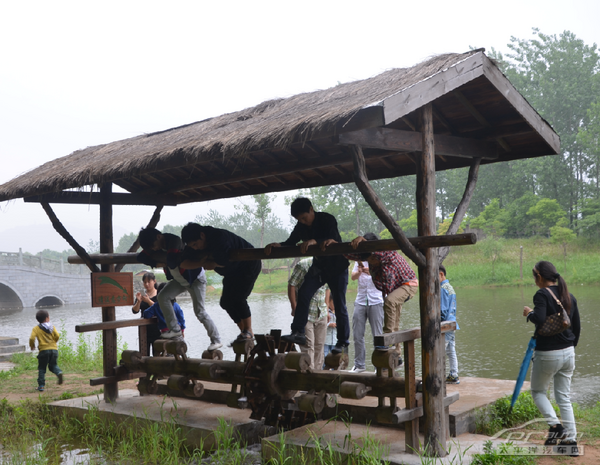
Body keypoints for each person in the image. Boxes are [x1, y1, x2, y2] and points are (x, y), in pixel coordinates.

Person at [265, 197, 350, 354]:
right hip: (320, 267)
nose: (302, 222)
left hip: (338, 266)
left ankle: (343, 341)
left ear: (311, 209)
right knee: (304, 292)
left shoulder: (327, 219)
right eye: (299, 219)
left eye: (304, 218)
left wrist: (314, 241)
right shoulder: (300, 227)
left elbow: (333, 239)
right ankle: (298, 332)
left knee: (339, 304)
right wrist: (279, 246)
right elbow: (291, 242)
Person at [522, 260, 581, 452]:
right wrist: (570, 348)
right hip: (569, 351)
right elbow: (577, 327)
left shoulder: (542, 294)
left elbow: (539, 319)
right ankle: (570, 442)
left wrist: (529, 313)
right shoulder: (568, 296)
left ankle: (555, 425)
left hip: (548, 353)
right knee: (563, 397)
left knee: (538, 392)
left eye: (534, 276)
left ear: (539, 276)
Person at [137, 228, 222, 350]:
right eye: (151, 249)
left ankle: (216, 340)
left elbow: (171, 261)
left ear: (159, 237)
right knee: (163, 297)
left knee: (200, 312)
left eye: (153, 246)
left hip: (195, 279)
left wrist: (160, 258)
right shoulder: (157, 245)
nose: (154, 249)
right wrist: (157, 262)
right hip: (180, 280)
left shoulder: (174, 241)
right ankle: (175, 330)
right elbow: (141, 257)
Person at [180, 222, 261, 342]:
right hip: (231, 272)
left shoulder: (218, 237)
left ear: (202, 235)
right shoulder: (194, 244)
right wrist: (202, 261)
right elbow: (184, 259)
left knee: (238, 298)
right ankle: (244, 332)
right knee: (226, 303)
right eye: (192, 246)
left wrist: (214, 264)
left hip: (248, 265)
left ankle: (248, 330)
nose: (195, 248)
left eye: (195, 244)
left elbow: (224, 259)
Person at [345, 235, 418, 358]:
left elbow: (380, 252)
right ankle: (397, 354)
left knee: (389, 301)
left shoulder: (388, 253)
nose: (372, 261)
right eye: (370, 259)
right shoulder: (372, 262)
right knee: (394, 323)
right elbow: (349, 254)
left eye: (373, 258)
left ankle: (387, 340)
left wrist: (366, 242)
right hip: (395, 290)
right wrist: (335, 244)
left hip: (408, 284)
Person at [349, 233, 384, 373]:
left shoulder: (378, 258)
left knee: (378, 335)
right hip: (361, 299)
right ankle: (359, 365)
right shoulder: (359, 259)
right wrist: (359, 272)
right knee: (357, 334)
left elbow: (383, 276)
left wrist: (370, 272)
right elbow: (352, 277)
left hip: (376, 299)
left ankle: (379, 366)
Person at [288, 258, 329, 370]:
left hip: (322, 313)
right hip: (306, 314)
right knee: (308, 346)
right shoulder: (303, 264)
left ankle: (317, 376)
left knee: (320, 346)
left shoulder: (328, 263)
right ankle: (308, 375)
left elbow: (327, 288)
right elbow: (292, 284)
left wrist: (327, 308)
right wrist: (294, 307)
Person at [29, 310, 63, 392]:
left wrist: (32, 345)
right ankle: (59, 373)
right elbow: (57, 335)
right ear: (47, 318)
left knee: (42, 368)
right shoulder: (52, 327)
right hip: (54, 350)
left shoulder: (36, 328)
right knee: (53, 365)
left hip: (43, 351)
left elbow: (32, 338)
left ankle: (41, 386)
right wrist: (54, 342)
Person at [131, 271, 161, 355]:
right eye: (145, 282)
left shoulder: (159, 294)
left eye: (149, 282)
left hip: (157, 329)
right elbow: (134, 311)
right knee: (144, 353)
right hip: (144, 329)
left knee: (157, 354)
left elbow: (160, 309)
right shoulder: (142, 295)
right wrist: (139, 301)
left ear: (154, 281)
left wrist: (148, 301)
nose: (147, 284)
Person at [439, 264, 459, 384]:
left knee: (440, 351)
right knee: (451, 350)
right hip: (453, 323)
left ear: (441, 274)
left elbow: (443, 309)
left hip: (445, 324)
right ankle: (454, 374)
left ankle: (438, 376)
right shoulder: (450, 287)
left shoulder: (443, 288)